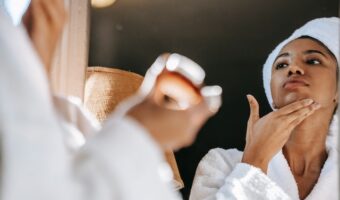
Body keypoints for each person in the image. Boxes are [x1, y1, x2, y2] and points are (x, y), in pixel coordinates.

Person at [190, 17, 339, 200]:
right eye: (282, 65)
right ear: (272, 92)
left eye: (313, 61)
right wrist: (254, 161)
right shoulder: (222, 164)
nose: (293, 68)